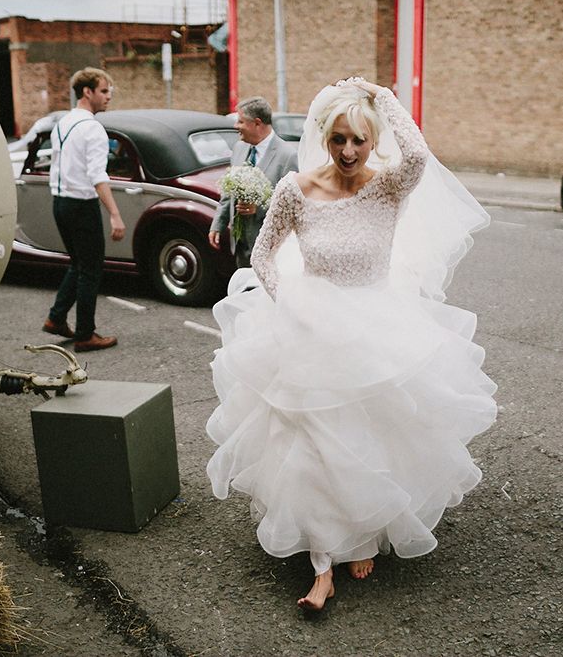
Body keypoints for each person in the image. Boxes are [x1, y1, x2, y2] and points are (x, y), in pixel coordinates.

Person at [205, 77, 497, 610]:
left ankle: (362, 533)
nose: (347, 151)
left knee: (368, 439)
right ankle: (323, 563)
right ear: (323, 135)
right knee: (312, 444)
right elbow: (263, 257)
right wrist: (291, 305)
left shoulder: (389, 186)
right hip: (309, 333)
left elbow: (420, 156)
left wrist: (382, 97)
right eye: (338, 138)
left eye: (359, 140)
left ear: (373, 139)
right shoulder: (295, 189)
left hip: (376, 331)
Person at [41, 67, 126, 352]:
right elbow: (97, 176)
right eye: (103, 91)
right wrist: (114, 213)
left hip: (60, 203)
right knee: (90, 270)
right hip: (81, 205)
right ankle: (86, 334)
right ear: (87, 92)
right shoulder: (92, 128)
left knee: (78, 264)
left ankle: (56, 318)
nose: (108, 97)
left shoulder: (62, 124)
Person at [209, 96, 298, 267]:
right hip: (241, 246)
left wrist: (258, 208)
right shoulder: (239, 148)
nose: (236, 127)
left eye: (240, 122)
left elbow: (292, 204)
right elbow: (228, 193)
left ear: (257, 123)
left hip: (271, 249)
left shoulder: (288, 156)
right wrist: (218, 225)